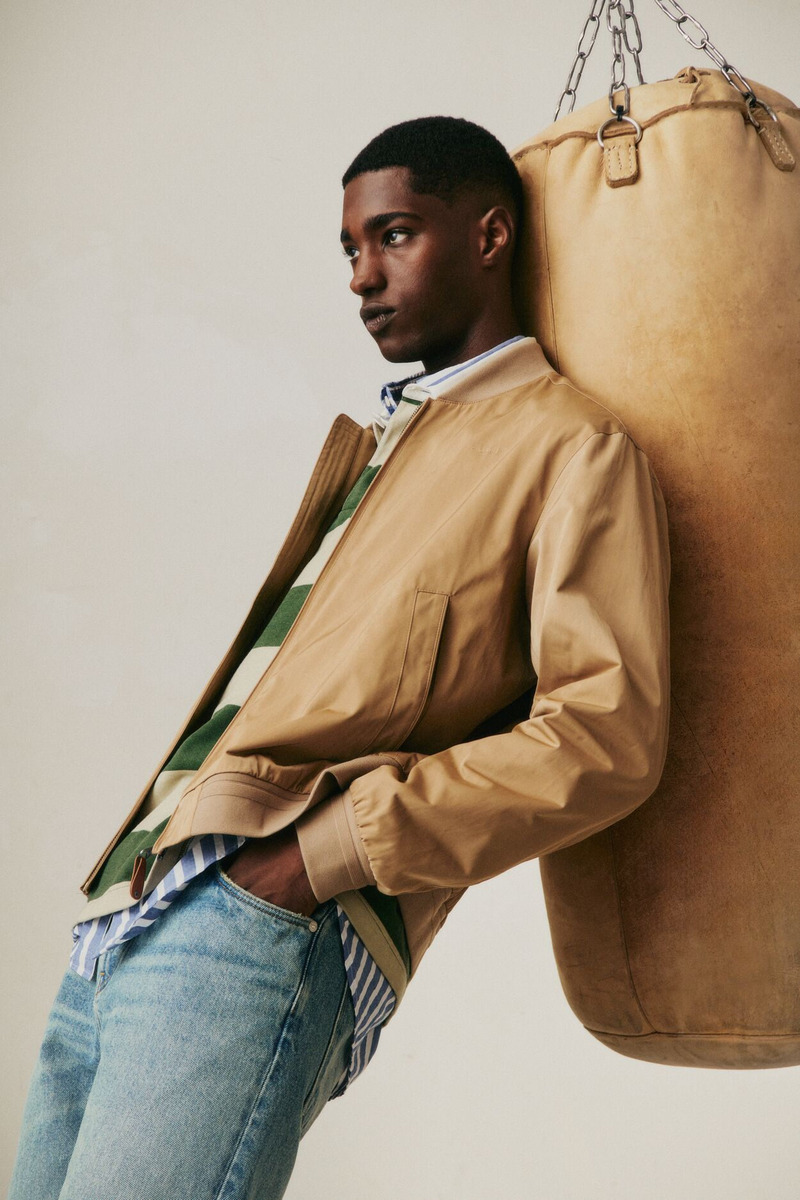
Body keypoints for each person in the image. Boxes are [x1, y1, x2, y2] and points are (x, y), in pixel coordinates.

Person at [10, 115, 671, 1200]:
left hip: (257, 924)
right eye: (350, 250)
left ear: (491, 235)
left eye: (395, 236)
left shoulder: (565, 446)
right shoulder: (394, 443)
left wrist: (307, 863)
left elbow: (604, 735)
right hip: (134, 914)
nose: (363, 277)